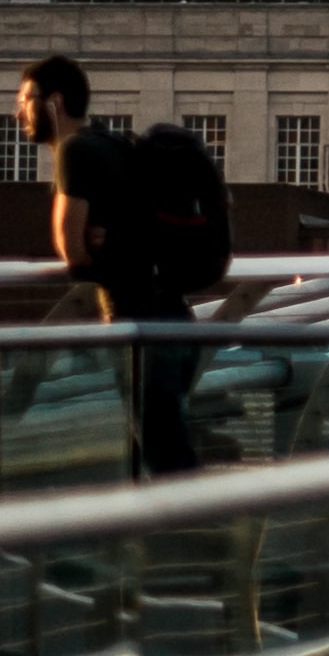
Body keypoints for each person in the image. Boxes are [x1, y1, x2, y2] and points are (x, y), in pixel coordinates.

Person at [24, 53, 230, 475]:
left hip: (140, 324)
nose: (19, 112)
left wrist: (98, 243)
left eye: (26, 100)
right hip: (176, 317)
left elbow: (72, 252)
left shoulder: (75, 150)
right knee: (159, 454)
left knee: (167, 464)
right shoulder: (114, 143)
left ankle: (192, 535)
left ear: (54, 103)